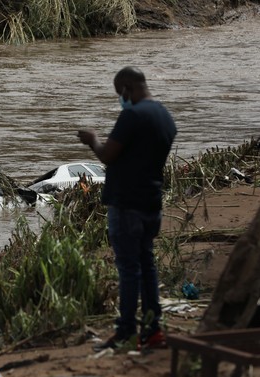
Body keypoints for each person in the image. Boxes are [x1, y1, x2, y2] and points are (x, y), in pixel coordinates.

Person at [77, 66, 177, 351]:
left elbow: (108, 155)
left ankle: (126, 333)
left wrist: (92, 139)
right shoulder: (164, 117)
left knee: (129, 269)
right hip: (151, 202)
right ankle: (152, 330)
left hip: (126, 204)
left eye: (120, 94)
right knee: (147, 265)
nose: (120, 99)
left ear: (128, 89)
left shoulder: (132, 115)